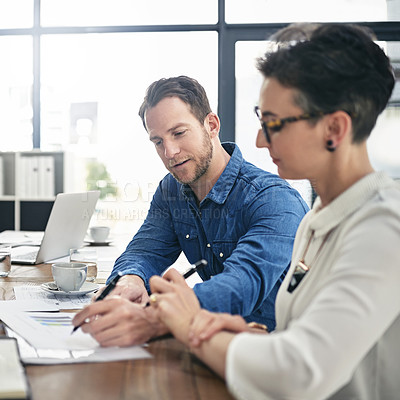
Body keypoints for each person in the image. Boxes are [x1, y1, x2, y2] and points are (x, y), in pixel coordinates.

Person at [148, 23, 400, 400]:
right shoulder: (318, 219)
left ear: (334, 128)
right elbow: (305, 341)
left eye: (274, 124)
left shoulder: (384, 227)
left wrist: (191, 324)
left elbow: (298, 372)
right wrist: (253, 339)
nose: (259, 140)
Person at [72, 75, 308, 346]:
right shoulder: (172, 190)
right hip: (208, 340)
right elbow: (146, 250)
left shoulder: (273, 200)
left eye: (179, 133)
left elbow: (240, 286)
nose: (169, 152)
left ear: (211, 125)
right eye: (158, 141)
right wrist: (130, 282)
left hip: (275, 351)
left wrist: (156, 317)